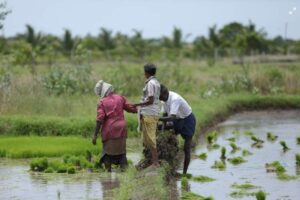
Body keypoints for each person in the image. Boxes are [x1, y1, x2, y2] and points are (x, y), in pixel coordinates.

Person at [92, 80, 137, 172]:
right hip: (122, 128)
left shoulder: (102, 102)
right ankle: (126, 174)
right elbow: (131, 108)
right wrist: (142, 110)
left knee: (107, 154)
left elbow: (99, 119)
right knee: (122, 153)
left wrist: (95, 135)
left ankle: (108, 175)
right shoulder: (120, 98)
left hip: (110, 129)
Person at [159, 84, 196, 174]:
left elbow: (171, 117)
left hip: (187, 120)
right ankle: (170, 164)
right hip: (177, 120)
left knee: (186, 148)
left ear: (164, 94)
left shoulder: (175, 99)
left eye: (159, 97)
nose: (158, 99)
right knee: (159, 128)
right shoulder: (164, 100)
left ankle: (184, 173)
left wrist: (157, 118)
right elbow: (164, 115)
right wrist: (163, 130)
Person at [134, 63, 161, 167]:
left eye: (144, 71)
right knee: (147, 138)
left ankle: (155, 162)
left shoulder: (150, 83)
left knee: (150, 138)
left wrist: (138, 104)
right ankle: (152, 160)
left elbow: (150, 100)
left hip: (149, 112)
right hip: (152, 112)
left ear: (147, 72)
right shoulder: (156, 82)